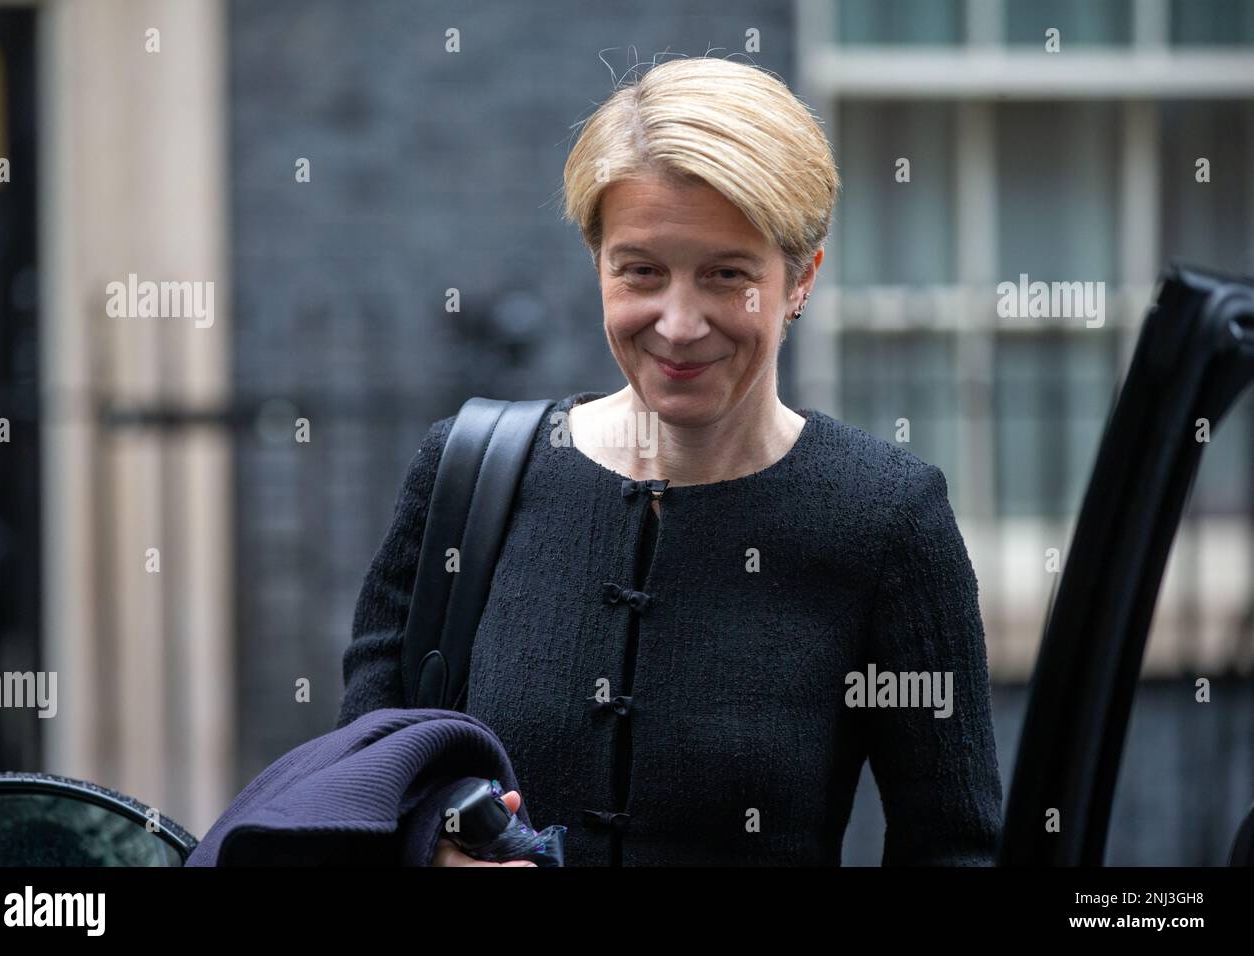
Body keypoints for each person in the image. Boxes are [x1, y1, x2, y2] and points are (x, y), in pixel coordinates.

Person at [337, 55, 1003, 866]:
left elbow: (953, 848)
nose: (679, 324)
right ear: (598, 265)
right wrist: (430, 850)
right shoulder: (464, 477)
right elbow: (360, 793)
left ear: (802, 279)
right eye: (642, 272)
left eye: (727, 275)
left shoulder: (886, 519)